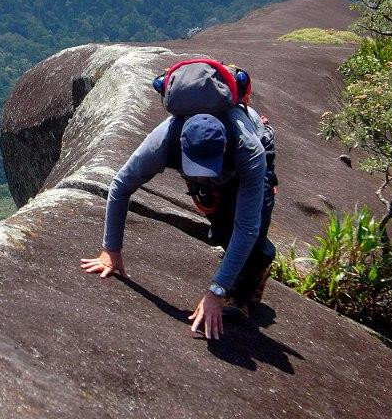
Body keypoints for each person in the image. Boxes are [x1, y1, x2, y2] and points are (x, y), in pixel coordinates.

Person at [80, 99, 277, 340]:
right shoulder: (163, 141)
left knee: (252, 236)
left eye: (207, 169)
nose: (204, 176)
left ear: (225, 147)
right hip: (217, 162)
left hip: (246, 161)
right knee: (222, 232)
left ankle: (252, 277)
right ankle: (237, 266)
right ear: (182, 147)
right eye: (197, 169)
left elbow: (247, 227)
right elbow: (121, 186)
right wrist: (111, 250)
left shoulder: (249, 151)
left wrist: (217, 291)